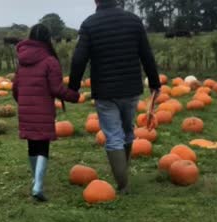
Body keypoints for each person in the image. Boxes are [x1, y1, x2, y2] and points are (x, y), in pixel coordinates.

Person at [68, 0, 161, 194]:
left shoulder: (89, 24)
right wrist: (154, 82)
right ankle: (123, 174)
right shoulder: (134, 21)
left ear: (96, 1)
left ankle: (123, 184)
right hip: (131, 87)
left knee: (112, 135)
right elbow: (146, 54)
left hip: (105, 90)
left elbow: (79, 58)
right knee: (127, 131)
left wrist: (73, 87)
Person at [12, 24, 80, 202]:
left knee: (32, 145)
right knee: (43, 146)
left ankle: (35, 179)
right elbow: (56, 88)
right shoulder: (50, 61)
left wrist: (23, 102)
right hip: (43, 109)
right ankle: (38, 186)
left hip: (25, 109)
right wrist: (73, 96)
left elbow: (16, 87)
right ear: (47, 39)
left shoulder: (22, 60)